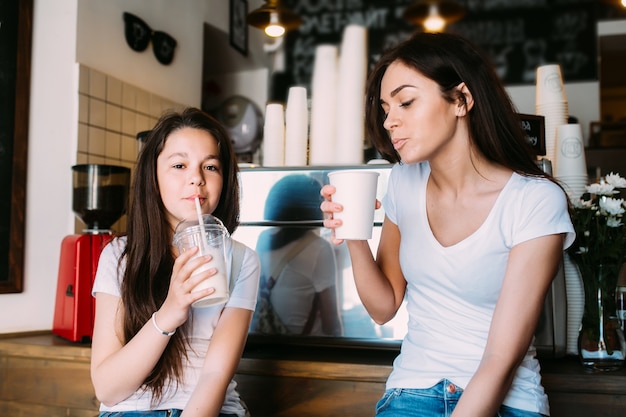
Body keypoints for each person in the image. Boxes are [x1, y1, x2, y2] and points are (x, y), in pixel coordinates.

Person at [320, 32, 574, 417]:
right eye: (386, 107)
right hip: (413, 391)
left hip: (508, 397)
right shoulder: (404, 183)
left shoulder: (533, 201)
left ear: (461, 100)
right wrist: (354, 234)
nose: (390, 120)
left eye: (406, 102)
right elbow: (383, 307)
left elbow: (501, 357)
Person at [90, 107, 260, 417]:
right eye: (179, 165)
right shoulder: (119, 256)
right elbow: (107, 389)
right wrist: (170, 311)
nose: (196, 179)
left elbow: (214, 377)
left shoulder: (241, 259)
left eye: (210, 167)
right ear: (153, 176)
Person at [251, 174, 342, 336]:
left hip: (262, 346)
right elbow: (331, 324)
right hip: (303, 352)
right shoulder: (319, 248)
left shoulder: (263, 239)